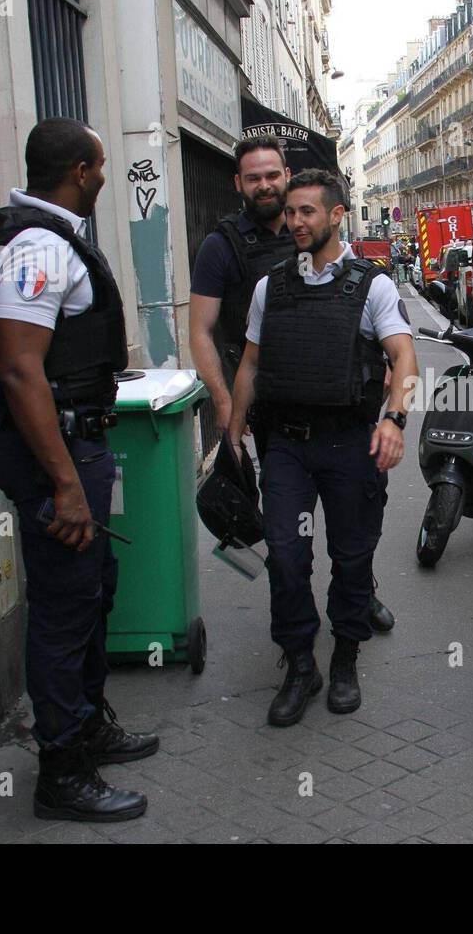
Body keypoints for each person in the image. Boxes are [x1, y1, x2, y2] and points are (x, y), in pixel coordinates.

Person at [0, 117, 157, 822]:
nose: (105, 176)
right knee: (65, 607)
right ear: (79, 170)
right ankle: (62, 771)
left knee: (92, 587)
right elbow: (19, 368)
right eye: (101, 165)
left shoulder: (30, 235)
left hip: (69, 441)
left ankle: (89, 724)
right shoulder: (40, 246)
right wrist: (67, 483)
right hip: (56, 450)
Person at [226, 169, 419, 727]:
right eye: (290, 212)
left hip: (350, 444)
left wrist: (395, 420)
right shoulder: (272, 287)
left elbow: (404, 359)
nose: (295, 222)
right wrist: (233, 434)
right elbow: (250, 363)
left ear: (336, 215)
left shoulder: (372, 286)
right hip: (286, 444)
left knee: (351, 558)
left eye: (307, 211)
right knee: (286, 557)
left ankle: (346, 659)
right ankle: (301, 663)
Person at [189, 136, 396, 632]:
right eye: (253, 178)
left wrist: (388, 404)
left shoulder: (318, 231)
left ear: (287, 176)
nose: (265, 186)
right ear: (238, 183)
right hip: (272, 410)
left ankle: (357, 594)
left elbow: (390, 335)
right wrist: (227, 420)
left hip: (344, 410)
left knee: (355, 526)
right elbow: (202, 333)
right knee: (285, 539)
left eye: (272, 176)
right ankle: (297, 633)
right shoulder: (223, 247)